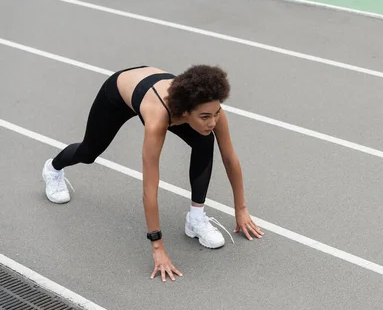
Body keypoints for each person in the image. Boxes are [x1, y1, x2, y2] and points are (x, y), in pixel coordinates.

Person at [41, 64, 264, 282]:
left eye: (215, 114)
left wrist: (241, 210)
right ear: (186, 112)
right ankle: (53, 169)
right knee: (89, 152)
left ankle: (195, 219)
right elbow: (150, 187)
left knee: (205, 141)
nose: (213, 121)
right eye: (205, 117)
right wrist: (157, 247)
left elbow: (229, 157)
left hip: (160, 91)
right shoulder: (157, 120)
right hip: (119, 94)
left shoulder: (209, 109)